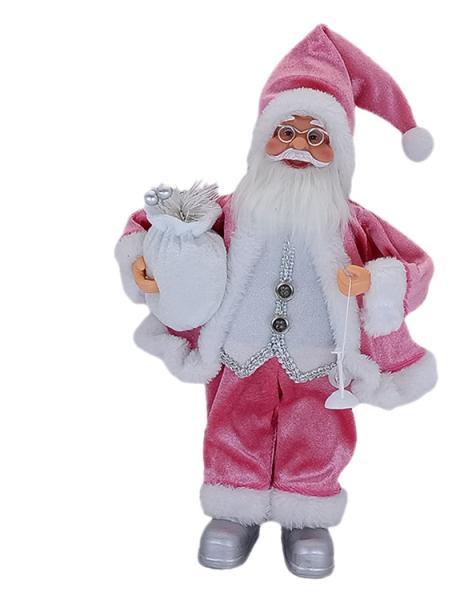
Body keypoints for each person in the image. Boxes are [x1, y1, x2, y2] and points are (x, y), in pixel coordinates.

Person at [116, 24, 436, 578]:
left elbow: (417, 266)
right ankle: (232, 507)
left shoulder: (353, 223)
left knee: (318, 427)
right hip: (240, 346)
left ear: (340, 152)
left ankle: (307, 511)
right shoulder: (229, 208)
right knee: (232, 419)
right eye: (286, 131)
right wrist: (145, 260)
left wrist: (374, 281)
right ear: (261, 138)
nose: (298, 146)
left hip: (319, 352)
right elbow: (155, 222)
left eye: (316, 137)